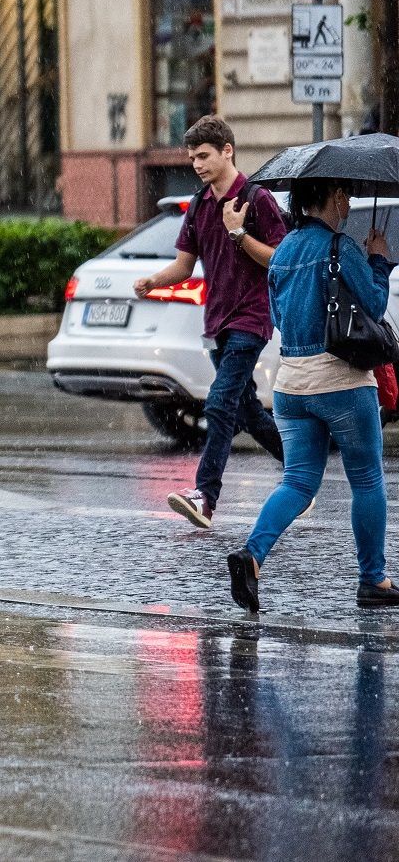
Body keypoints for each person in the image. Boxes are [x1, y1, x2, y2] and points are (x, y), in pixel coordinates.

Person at [228, 177, 399, 613]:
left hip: (291, 384)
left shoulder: (282, 251)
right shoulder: (341, 248)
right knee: (366, 478)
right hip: (341, 381)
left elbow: (278, 316)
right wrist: (379, 260)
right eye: (346, 195)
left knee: (299, 482)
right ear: (336, 197)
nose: (349, 202)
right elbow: (376, 305)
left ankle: (252, 555)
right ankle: (373, 580)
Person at [134, 116, 287, 529]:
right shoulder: (200, 205)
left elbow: (281, 259)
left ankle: (205, 496)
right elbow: (185, 266)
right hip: (216, 322)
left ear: (227, 151)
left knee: (219, 403)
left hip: (251, 319)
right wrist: (153, 280)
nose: (197, 164)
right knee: (248, 410)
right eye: (192, 157)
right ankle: (300, 477)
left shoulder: (258, 199)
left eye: (203, 156)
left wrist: (239, 234)